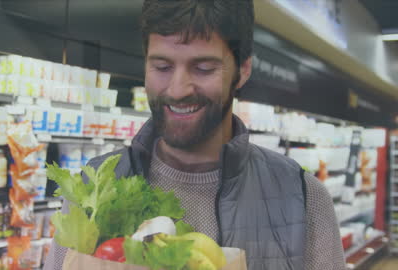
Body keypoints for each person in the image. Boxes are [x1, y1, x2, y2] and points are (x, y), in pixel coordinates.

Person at [44, 0, 346, 269]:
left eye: (203, 68)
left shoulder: (303, 198)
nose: (178, 89)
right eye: (162, 66)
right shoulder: (94, 187)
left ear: (242, 70)